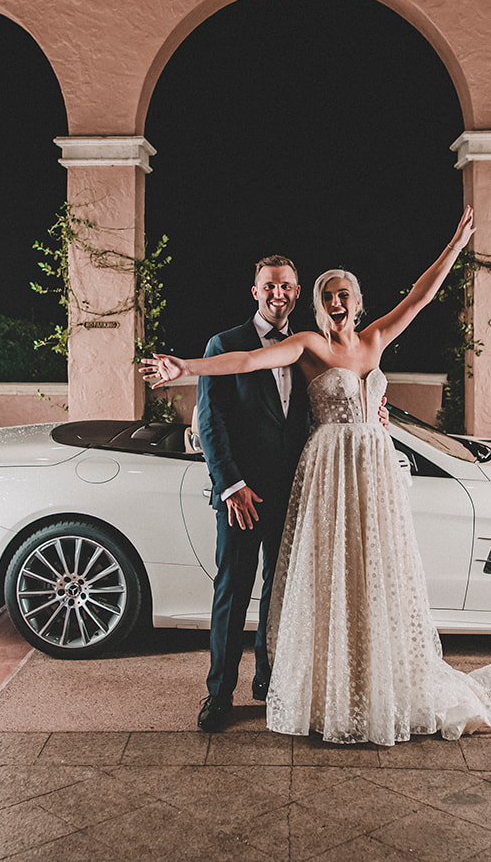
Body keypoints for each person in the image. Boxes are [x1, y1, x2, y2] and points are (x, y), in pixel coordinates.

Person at [143, 208, 491, 745]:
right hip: (310, 477)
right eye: (328, 297)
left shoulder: (375, 339)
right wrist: (185, 367)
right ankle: (224, 691)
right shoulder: (308, 345)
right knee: (254, 585)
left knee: (342, 580)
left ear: (357, 301)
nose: (336, 302)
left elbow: (420, 296)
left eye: (343, 294)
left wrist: (455, 247)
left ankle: (310, 680)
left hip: (366, 476)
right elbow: (245, 363)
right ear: (309, 303)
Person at [191, 255, 311, 733]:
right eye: (269, 286)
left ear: (296, 292)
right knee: (233, 591)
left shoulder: (308, 348)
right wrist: (232, 486)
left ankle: (269, 679)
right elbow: (210, 421)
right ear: (255, 291)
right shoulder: (225, 345)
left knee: (280, 593)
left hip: (294, 493)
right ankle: (219, 693)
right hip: (241, 495)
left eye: (286, 286)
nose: (278, 294)